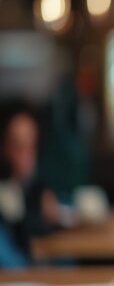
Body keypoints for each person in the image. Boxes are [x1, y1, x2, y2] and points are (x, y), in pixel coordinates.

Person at [0, 101, 61, 262]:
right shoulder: (6, 193)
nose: (27, 155)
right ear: (3, 148)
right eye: (19, 146)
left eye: (31, 146)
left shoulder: (36, 189)